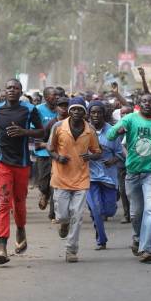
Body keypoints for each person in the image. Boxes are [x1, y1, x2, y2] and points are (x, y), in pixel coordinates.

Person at [107, 93, 151, 263]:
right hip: (133, 173)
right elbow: (110, 136)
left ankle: (147, 249)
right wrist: (118, 130)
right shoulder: (130, 119)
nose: (148, 104)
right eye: (144, 101)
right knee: (136, 213)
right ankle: (137, 238)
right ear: (139, 104)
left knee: (150, 210)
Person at [0, 79, 44, 265]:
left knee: (19, 204)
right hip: (2, 163)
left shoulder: (29, 109)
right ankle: (2, 248)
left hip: (21, 164)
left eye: (16, 88)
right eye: (9, 88)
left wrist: (24, 132)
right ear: (4, 91)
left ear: (21, 91)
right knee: (4, 204)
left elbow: (41, 132)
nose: (12, 90)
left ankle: (20, 228)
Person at [48, 97, 101, 263]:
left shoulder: (90, 130)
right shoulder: (58, 127)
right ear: (69, 111)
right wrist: (58, 157)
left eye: (80, 110)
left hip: (81, 179)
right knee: (63, 216)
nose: (77, 112)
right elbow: (50, 148)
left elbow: (98, 151)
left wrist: (91, 156)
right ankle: (63, 224)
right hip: (61, 178)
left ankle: (71, 250)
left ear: (85, 112)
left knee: (77, 216)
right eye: (74, 109)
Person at [86, 101, 124, 250]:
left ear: (104, 114)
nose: (96, 115)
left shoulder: (111, 132)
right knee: (96, 210)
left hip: (108, 176)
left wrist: (112, 160)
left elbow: (120, 154)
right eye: (93, 112)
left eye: (99, 112)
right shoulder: (84, 130)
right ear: (89, 114)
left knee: (108, 211)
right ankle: (101, 240)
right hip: (90, 177)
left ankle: (107, 207)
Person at [34, 88, 58, 215]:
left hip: (58, 152)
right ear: (46, 97)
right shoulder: (38, 110)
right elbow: (34, 129)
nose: (57, 97)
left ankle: (53, 212)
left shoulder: (63, 110)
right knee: (44, 182)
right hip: (43, 151)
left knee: (56, 183)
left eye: (58, 95)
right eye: (54, 95)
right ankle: (44, 194)